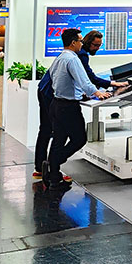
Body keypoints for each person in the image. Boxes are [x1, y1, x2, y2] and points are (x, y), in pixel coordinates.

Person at [44, 28, 111, 187]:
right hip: (68, 107)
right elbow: (84, 80)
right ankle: (54, 163)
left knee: (59, 140)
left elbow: (55, 78)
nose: (82, 44)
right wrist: (97, 92)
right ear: (73, 42)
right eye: (80, 41)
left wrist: (80, 92)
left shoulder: (60, 57)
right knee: (79, 139)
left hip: (56, 104)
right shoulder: (73, 59)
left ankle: (54, 176)